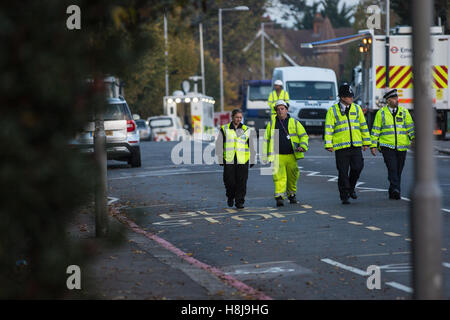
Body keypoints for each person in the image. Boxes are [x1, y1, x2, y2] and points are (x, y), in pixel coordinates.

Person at [324, 83, 371, 204]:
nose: (351, 98)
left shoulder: (357, 108)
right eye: (349, 96)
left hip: (355, 145)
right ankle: (344, 195)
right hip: (341, 146)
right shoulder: (333, 110)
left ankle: (351, 188)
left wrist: (366, 142)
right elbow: (329, 128)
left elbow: (363, 126)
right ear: (342, 97)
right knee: (343, 172)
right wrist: (328, 144)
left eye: (351, 96)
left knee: (358, 167)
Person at [370, 88, 415, 200]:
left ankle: (393, 190)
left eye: (397, 98)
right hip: (387, 146)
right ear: (388, 100)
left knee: (398, 169)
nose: (396, 100)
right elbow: (376, 130)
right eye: (394, 98)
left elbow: (410, 127)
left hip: (402, 146)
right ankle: (396, 189)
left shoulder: (404, 112)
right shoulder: (381, 113)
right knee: (392, 168)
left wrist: (414, 139)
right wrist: (373, 145)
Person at [263, 100, 308, 207]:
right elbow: (266, 140)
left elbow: (304, 136)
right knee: (279, 177)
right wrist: (265, 156)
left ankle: (291, 194)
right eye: (278, 109)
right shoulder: (272, 124)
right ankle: (279, 197)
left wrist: (303, 146)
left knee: (293, 176)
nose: (280, 111)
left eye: (282, 109)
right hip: (277, 156)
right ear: (275, 111)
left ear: (286, 110)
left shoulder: (294, 122)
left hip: (292, 155)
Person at [216, 109, 256, 209]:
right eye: (237, 117)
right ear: (232, 117)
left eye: (240, 118)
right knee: (229, 181)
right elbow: (219, 144)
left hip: (243, 159)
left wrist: (252, 158)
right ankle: (230, 196)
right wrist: (220, 158)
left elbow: (251, 145)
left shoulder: (246, 129)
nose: (238, 119)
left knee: (241, 182)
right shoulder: (224, 129)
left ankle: (239, 201)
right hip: (229, 159)